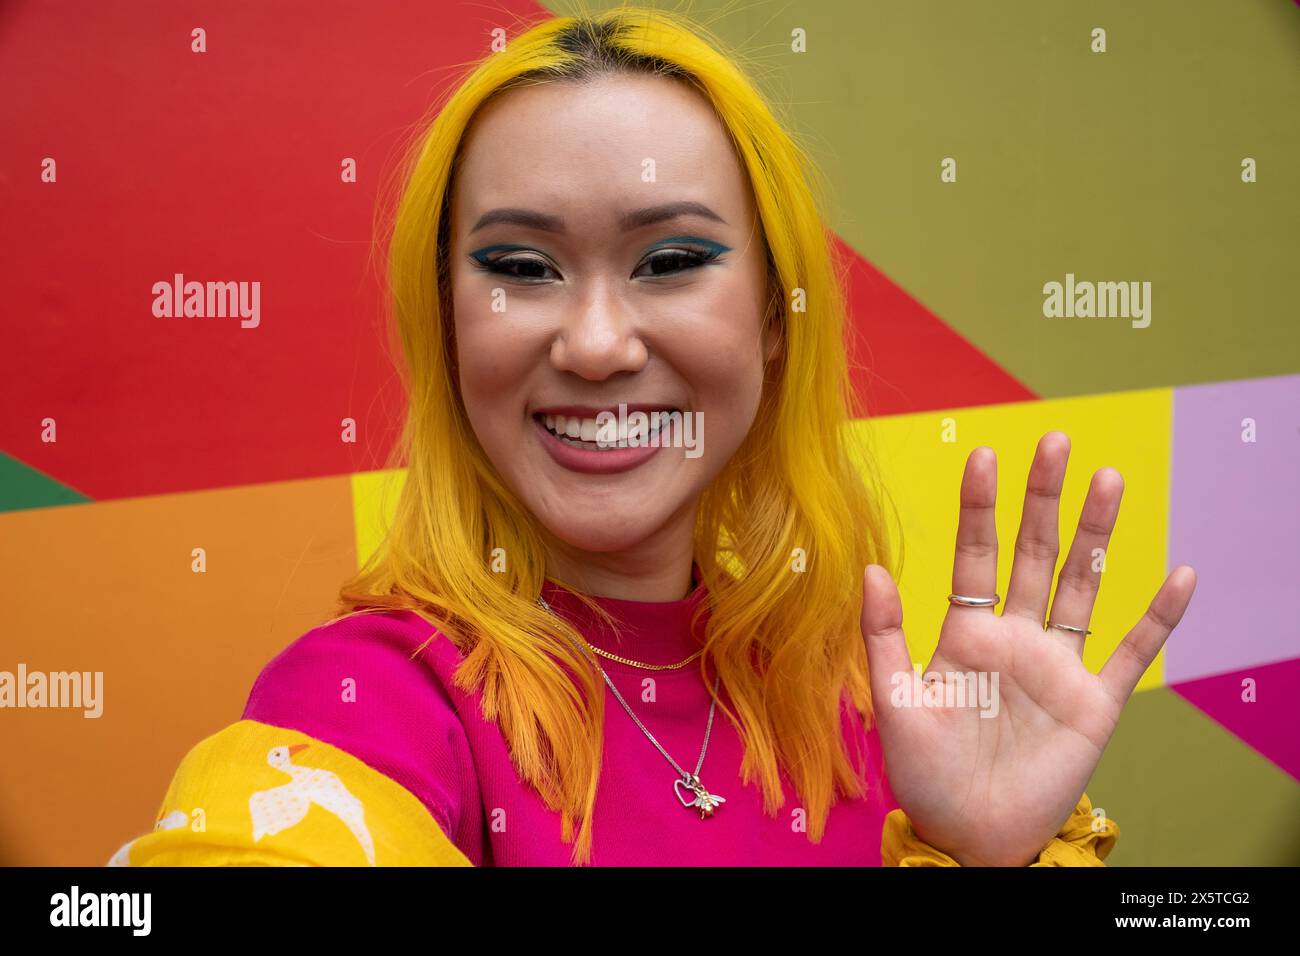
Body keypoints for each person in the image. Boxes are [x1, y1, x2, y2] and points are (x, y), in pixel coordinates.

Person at [110, 7, 1194, 868]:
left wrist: (980, 853)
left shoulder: (885, 725)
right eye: (521, 269)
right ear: (443, 324)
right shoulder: (365, 706)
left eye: (671, 260)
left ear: (776, 317)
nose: (592, 343)